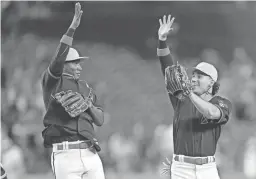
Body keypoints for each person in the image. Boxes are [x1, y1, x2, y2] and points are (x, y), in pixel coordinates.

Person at [157, 14, 232, 179]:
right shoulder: (180, 99)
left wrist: (189, 92)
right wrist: (162, 40)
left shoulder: (221, 102)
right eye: (193, 75)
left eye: (200, 76)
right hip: (181, 168)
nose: (193, 79)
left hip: (208, 169)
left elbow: (211, 113)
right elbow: (168, 69)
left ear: (211, 82)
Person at [41, 3, 105, 179]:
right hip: (65, 155)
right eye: (75, 62)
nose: (79, 66)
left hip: (90, 152)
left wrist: (89, 106)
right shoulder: (53, 82)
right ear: (64, 65)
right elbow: (57, 59)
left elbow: (100, 120)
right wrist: (72, 29)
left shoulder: (86, 87)